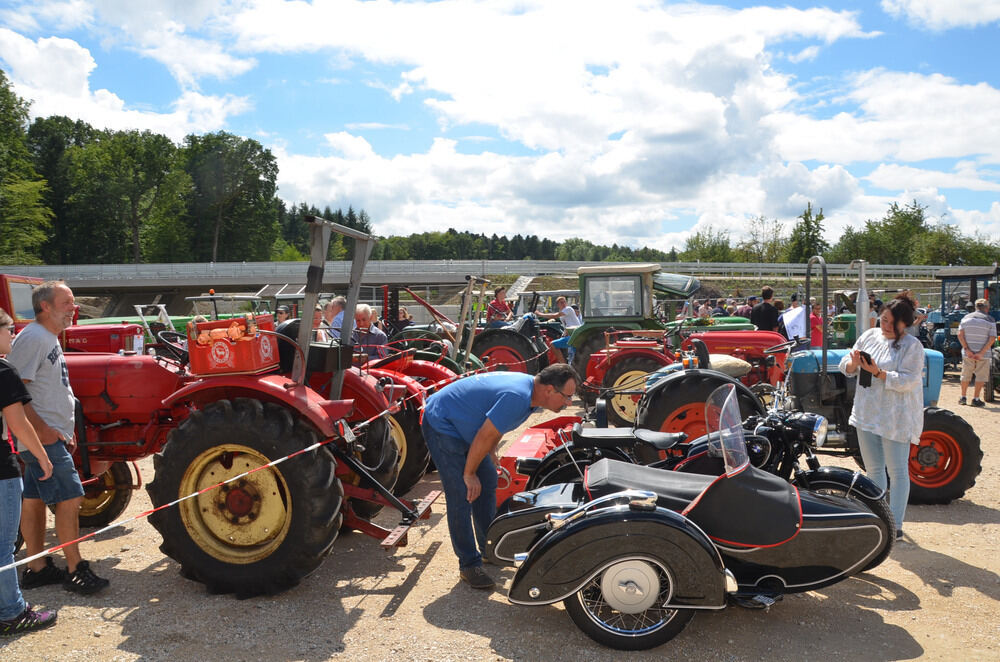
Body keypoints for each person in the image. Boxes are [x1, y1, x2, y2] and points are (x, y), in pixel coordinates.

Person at [420, 364, 580, 590]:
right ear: (549, 390)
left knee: (488, 481)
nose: (569, 403)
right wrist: (469, 473)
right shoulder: (518, 397)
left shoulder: (533, 396)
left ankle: (489, 549)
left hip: (465, 423)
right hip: (443, 423)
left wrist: (491, 451)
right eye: (567, 396)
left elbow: (494, 425)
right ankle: (469, 564)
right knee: (462, 493)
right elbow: (485, 434)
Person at [7, 281, 110, 595]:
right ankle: (75, 569)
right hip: (42, 440)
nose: (73, 308)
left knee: (34, 499)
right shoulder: (33, 338)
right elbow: (15, 393)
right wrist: (43, 432)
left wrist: (65, 429)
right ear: (45, 306)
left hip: (50, 436)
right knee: (70, 496)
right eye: (66, 302)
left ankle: (36, 568)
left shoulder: (47, 337)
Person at [838, 294, 924, 539]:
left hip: (895, 417)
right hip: (867, 411)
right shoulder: (869, 336)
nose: (886, 325)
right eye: (884, 319)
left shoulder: (912, 346)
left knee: (897, 471)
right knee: (874, 469)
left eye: (892, 323)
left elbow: (908, 381)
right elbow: (846, 364)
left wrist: (878, 373)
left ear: (905, 324)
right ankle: (877, 519)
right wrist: (854, 364)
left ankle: (895, 525)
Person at [0, 308, 58, 636]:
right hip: (1, 469)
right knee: (3, 546)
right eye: (9, 329)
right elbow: (19, 423)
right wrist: (43, 457)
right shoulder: (3, 370)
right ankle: (12, 612)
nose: (13, 335)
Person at [957, 298, 996, 407]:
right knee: (981, 376)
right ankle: (976, 399)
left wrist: (967, 349)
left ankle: (963, 397)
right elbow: (992, 338)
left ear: (975, 307)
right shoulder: (990, 320)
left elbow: (960, 334)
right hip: (983, 354)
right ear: (987, 308)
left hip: (968, 353)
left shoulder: (965, 318)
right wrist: (981, 353)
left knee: (965, 374)